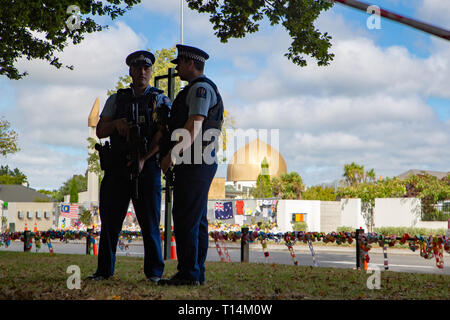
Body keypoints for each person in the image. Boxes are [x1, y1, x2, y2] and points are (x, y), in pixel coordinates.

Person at [87, 50, 171, 282]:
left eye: (146, 68)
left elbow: (164, 134)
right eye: (138, 68)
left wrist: (144, 158)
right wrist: (116, 124)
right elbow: (100, 131)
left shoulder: (160, 100)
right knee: (110, 222)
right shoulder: (117, 99)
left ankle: (154, 273)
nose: (142, 72)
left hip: (148, 167)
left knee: (150, 223)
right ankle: (104, 271)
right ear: (131, 71)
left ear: (151, 72)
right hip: (117, 167)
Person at [160, 44, 224, 286]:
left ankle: (189, 274)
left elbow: (195, 124)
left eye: (179, 63)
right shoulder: (195, 89)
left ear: (190, 63)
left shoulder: (200, 89)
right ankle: (195, 273)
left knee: (187, 218)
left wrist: (172, 155)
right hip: (197, 162)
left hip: (196, 162)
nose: (177, 68)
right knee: (195, 220)